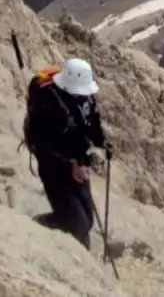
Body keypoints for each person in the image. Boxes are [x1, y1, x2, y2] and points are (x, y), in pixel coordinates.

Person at [23, 58, 112, 250]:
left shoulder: (85, 98)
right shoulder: (47, 104)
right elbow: (42, 147)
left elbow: (90, 121)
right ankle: (38, 226)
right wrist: (69, 166)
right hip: (54, 169)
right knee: (77, 223)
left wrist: (102, 141)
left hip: (78, 162)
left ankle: (70, 242)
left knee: (87, 220)